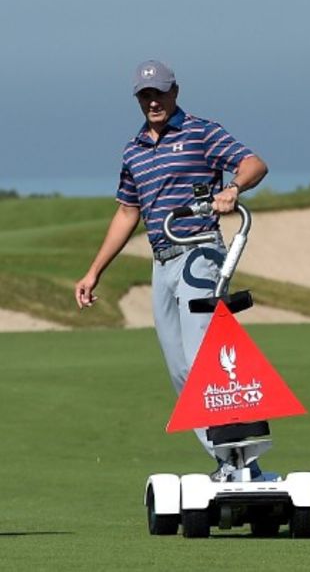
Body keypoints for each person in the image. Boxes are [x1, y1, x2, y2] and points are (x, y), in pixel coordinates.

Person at [74, 60, 269, 481]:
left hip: (201, 255)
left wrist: (233, 188)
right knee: (180, 369)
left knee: (205, 361)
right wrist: (94, 272)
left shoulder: (201, 131)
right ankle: (226, 461)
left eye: (159, 93)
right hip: (161, 264)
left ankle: (245, 462)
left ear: (175, 92)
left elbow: (253, 163)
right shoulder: (133, 151)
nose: (152, 101)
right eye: (145, 96)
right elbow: (128, 213)